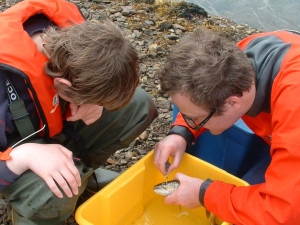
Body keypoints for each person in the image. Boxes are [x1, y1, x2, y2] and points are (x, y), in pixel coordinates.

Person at [0, 0, 158, 224]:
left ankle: (79, 176)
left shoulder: (71, 34)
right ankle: (32, 206)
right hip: (13, 153)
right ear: (63, 83)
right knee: (55, 195)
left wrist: (94, 103)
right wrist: (24, 158)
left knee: (138, 105)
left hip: (50, 127)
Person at [154, 26, 300, 225]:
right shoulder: (237, 59)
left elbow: (281, 213)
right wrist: (181, 132)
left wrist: (203, 193)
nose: (192, 123)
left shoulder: (294, 111)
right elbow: (199, 102)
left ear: (232, 103)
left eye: (194, 118)